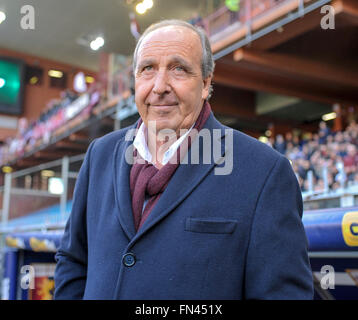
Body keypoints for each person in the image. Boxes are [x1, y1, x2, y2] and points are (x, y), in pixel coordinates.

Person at [54, 19, 313, 300]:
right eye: (148, 69)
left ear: (205, 84)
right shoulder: (99, 154)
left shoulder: (264, 171)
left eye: (178, 69)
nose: (160, 86)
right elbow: (73, 260)